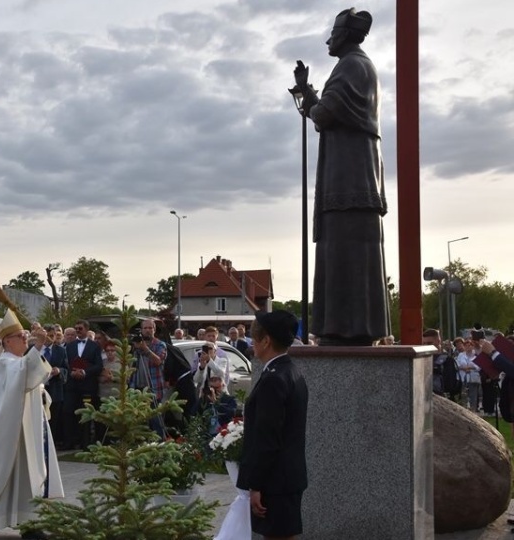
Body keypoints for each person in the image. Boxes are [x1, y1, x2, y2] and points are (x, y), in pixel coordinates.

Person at [294, 8, 389, 346]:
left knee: (345, 251)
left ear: (346, 34)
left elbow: (324, 114)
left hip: (349, 177)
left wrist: (309, 97)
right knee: (350, 252)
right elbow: (327, 112)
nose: (327, 39)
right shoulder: (361, 66)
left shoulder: (351, 66)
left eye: (333, 33)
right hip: (356, 174)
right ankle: (354, 327)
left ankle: (346, 329)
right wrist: (307, 93)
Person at [0, 309, 62, 540]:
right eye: (21, 337)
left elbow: (35, 378)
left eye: (25, 336)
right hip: (12, 432)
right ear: (7, 341)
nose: (25, 339)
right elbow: (24, 375)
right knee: (9, 477)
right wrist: (38, 346)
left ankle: (30, 522)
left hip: (30, 427)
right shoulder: (5, 363)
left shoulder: (19, 361)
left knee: (28, 476)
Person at [236, 311, 308, 539]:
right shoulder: (291, 371)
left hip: (275, 482)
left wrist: (256, 485)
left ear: (266, 341)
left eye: (253, 337)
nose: (251, 342)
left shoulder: (274, 379)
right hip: (287, 477)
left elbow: (268, 438)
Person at [61, 320, 102, 451]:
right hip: (72, 385)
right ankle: (69, 442)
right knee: (68, 412)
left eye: (80, 328)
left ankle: (86, 443)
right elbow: (66, 362)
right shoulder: (70, 345)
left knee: (86, 414)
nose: (77, 331)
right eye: (76, 328)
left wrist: (84, 372)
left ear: (86, 329)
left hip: (87, 385)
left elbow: (98, 365)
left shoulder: (95, 346)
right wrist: (72, 372)